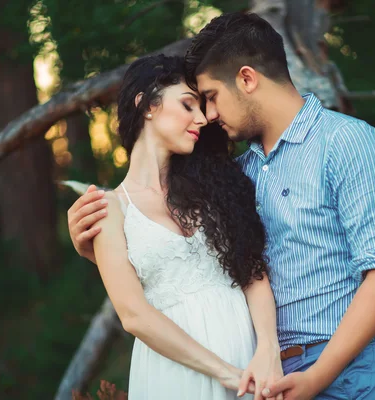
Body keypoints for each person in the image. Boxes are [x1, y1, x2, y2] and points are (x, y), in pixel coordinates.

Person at [70, 12, 375, 400]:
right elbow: (203, 261)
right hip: (270, 377)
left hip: (358, 374)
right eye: (196, 104)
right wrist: (98, 247)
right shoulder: (235, 177)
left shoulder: (348, 143)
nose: (208, 117)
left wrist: (317, 376)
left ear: (247, 79)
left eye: (211, 98)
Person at [66, 53, 284, 400]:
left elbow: (252, 272)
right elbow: (134, 315)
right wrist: (226, 373)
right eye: (187, 105)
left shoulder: (214, 190)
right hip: (177, 374)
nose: (201, 118)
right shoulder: (109, 209)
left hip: (250, 360)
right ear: (148, 105)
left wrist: (268, 349)